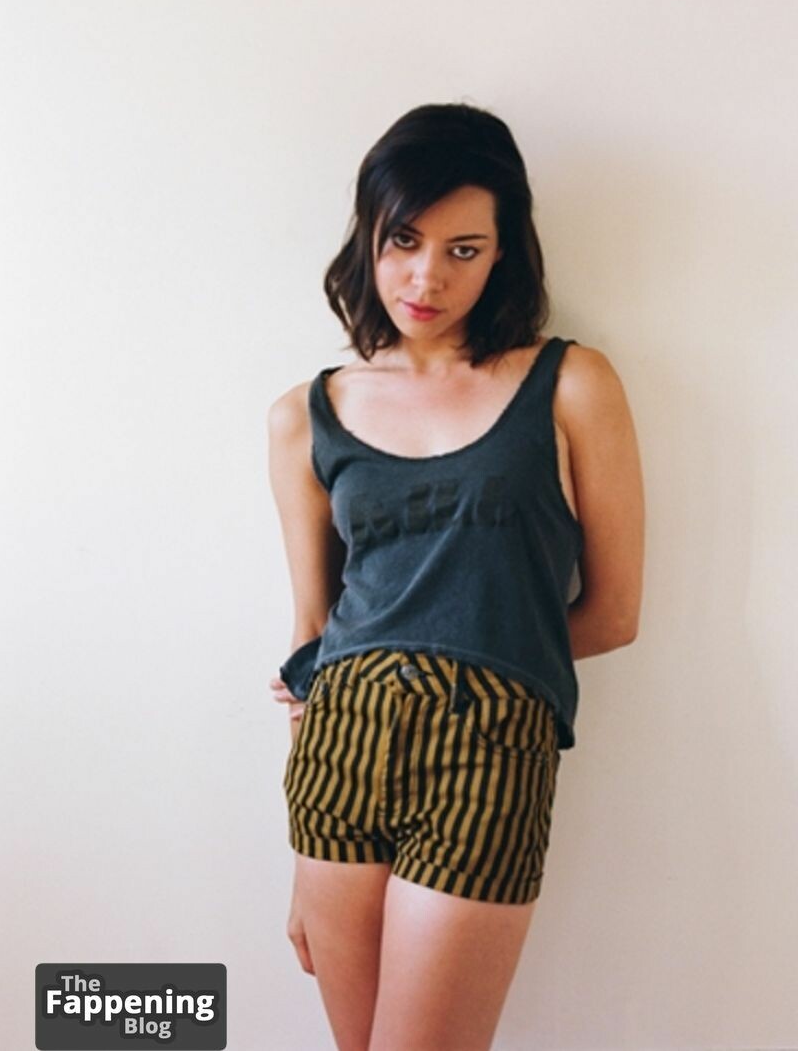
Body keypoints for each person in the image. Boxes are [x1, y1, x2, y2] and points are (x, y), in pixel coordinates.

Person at [267, 101, 645, 1051]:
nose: (426, 277)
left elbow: (614, 613)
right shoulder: (305, 415)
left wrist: (476, 650)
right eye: (403, 240)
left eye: (463, 249)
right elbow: (314, 638)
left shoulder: (571, 384)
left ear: (503, 252)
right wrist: (300, 860)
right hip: (339, 753)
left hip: (489, 746)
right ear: (369, 234)